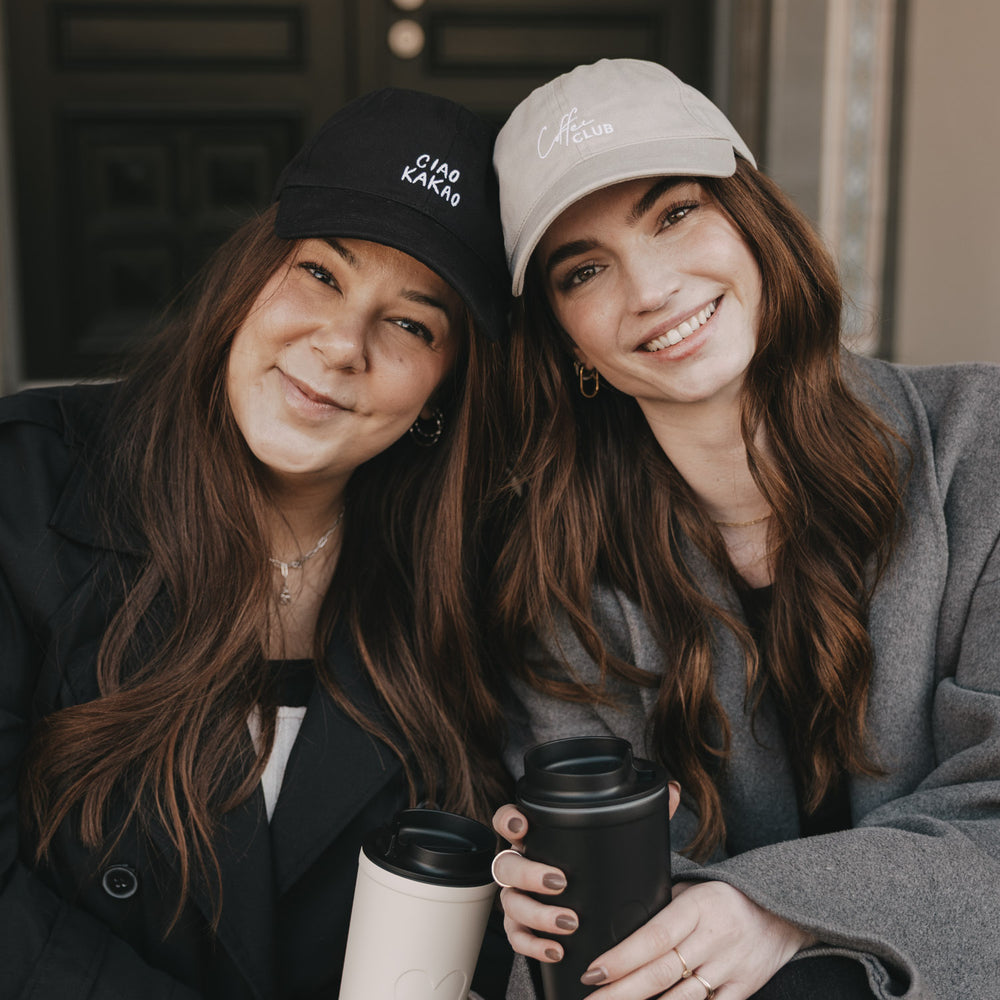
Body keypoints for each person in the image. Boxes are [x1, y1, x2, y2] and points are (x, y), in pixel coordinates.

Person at [486, 58, 1000, 1000]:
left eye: (675, 213)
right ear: (565, 340)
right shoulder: (563, 568)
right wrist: (554, 895)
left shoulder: (983, 452)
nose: (651, 289)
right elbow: (619, 917)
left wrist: (774, 907)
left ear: (755, 219)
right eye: (584, 269)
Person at [1, 88, 515, 998]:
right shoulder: (25, 484)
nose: (341, 343)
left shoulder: (474, 577)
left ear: (444, 390)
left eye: (411, 323)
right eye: (322, 272)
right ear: (250, 271)